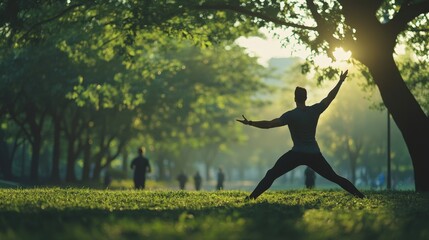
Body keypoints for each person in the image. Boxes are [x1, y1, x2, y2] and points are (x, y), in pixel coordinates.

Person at [237, 70, 365, 199]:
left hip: (297, 153)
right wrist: (340, 81)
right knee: (335, 177)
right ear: (306, 98)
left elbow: (269, 124)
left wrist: (250, 123)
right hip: (314, 154)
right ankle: (361, 196)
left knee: (271, 174)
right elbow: (330, 97)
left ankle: (251, 198)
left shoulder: (290, 115)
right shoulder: (314, 110)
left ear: (294, 99)